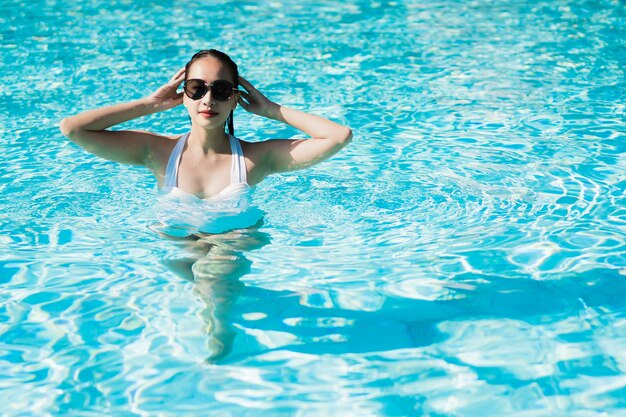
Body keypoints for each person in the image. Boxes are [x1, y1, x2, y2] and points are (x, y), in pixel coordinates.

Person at [59, 49, 352, 215]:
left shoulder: (254, 158)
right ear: (183, 94)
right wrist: (149, 104)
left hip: (231, 252)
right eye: (196, 88)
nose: (208, 100)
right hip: (177, 249)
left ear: (235, 98)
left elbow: (339, 136)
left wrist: (270, 109)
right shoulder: (157, 151)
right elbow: (73, 128)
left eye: (222, 90)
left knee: (213, 272)